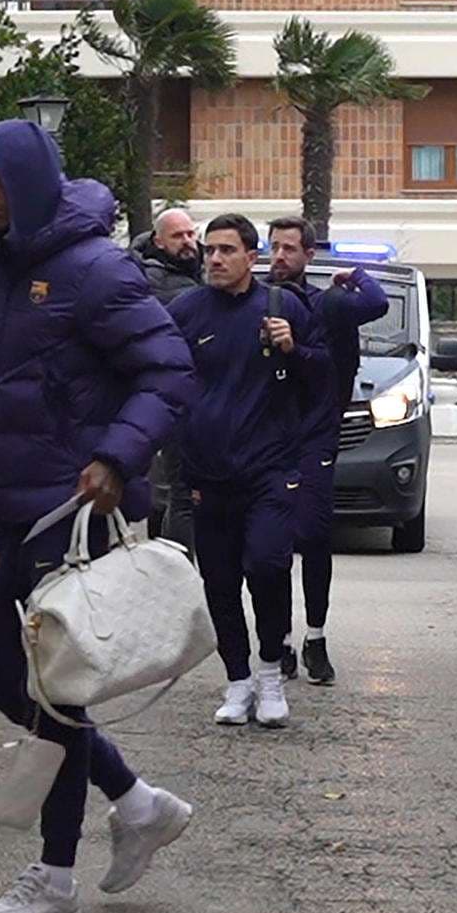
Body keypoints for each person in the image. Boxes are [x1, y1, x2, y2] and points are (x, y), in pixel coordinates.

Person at [0, 119, 199, 913]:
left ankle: (55, 877)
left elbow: (168, 370)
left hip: (74, 514)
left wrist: (115, 456)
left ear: (30, 181)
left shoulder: (93, 269)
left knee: (52, 694)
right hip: (15, 508)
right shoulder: (10, 265)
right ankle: (136, 801)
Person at [167, 214, 321, 729]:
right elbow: (155, 371)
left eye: (226, 250)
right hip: (207, 474)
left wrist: (292, 349)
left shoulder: (283, 306)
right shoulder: (186, 310)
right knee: (219, 581)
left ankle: (271, 671)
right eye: (209, 250)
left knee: (267, 564)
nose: (213, 259)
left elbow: (326, 376)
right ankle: (237, 680)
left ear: (251, 258)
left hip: (269, 470)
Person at [266, 215, 389, 686]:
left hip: (316, 436)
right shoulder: (258, 302)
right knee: (269, 546)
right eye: (274, 247)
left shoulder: (330, 306)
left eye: (290, 249)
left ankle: (315, 638)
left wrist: (353, 275)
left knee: (314, 539)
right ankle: (279, 642)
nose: (280, 257)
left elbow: (376, 302)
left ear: (308, 255)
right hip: (267, 441)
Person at [131, 208, 203, 546]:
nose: (188, 242)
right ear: (159, 241)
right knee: (181, 492)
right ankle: (178, 571)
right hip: (174, 394)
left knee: (172, 493)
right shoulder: (154, 281)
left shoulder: (194, 272)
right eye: (178, 236)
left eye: (191, 234)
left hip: (189, 394)